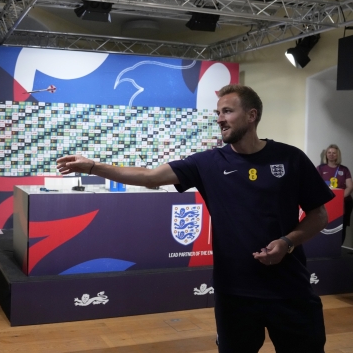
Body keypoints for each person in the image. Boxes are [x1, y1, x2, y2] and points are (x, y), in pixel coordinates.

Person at [57, 84, 334, 353]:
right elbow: (149, 177)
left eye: (227, 112)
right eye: (218, 113)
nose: (220, 120)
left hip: (290, 288)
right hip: (234, 293)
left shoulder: (290, 158)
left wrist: (287, 242)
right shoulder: (207, 163)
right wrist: (93, 166)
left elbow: (318, 214)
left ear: (252, 115)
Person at [317, 144, 353, 242]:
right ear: (326, 154)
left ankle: (338, 249)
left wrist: (339, 199)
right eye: (329, 152)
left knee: (341, 226)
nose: (331, 155)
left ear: (338, 155)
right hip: (326, 203)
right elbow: (316, 185)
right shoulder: (320, 168)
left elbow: (350, 187)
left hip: (344, 203)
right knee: (326, 225)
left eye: (334, 153)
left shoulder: (344, 169)